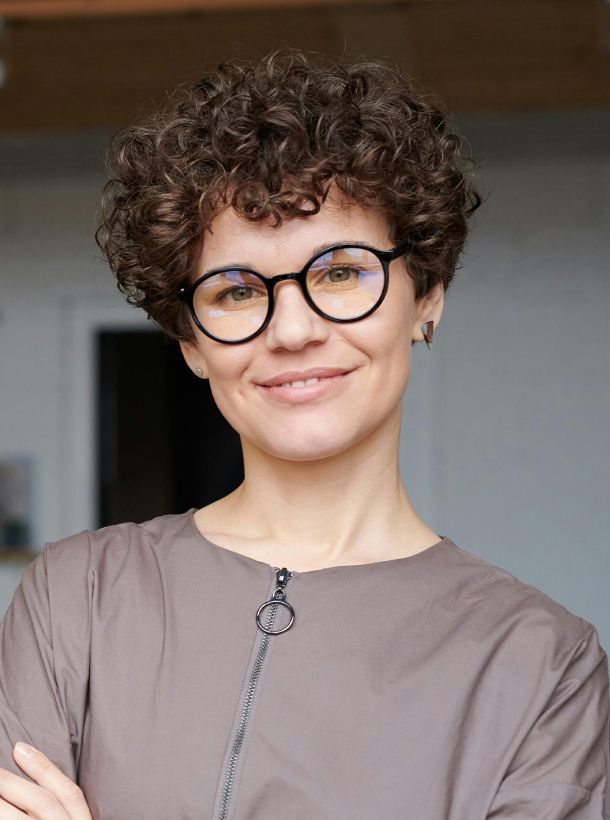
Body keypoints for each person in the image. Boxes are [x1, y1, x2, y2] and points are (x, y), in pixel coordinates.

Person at [0, 47, 607, 820]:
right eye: (235, 291)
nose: (292, 330)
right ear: (191, 341)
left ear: (425, 296)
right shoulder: (77, 598)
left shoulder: (543, 665)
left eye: (341, 273)